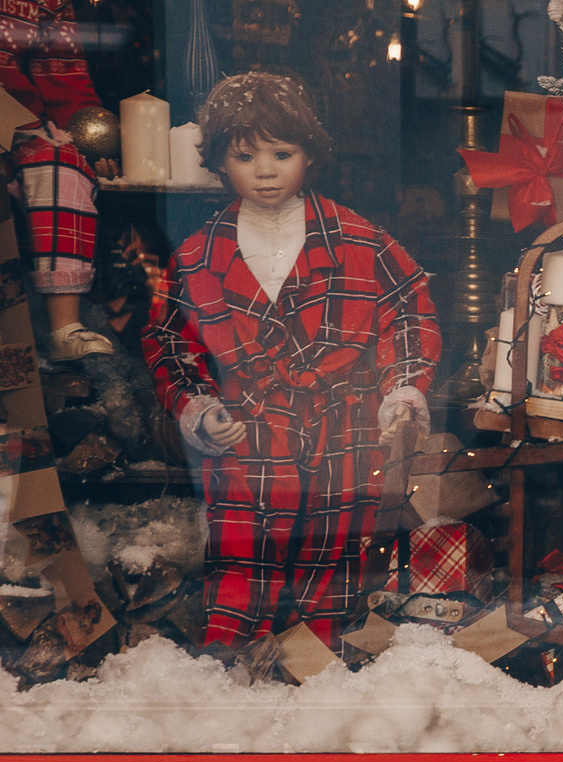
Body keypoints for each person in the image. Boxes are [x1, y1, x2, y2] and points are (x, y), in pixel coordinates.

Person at [140, 73, 439, 648]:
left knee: (333, 569)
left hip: (343, 432)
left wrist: (402, 388)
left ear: (310, 154)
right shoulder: (198, 254)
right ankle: (232, 679)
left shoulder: (361, 240)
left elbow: (409, 313)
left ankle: (319, 676)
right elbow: (171, 339)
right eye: (245, 155)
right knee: (240, 567)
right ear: (220, 162)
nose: (266, 170)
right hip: (247, 435)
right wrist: (196, 404)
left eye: (283, 153)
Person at [2, 0, 114, 358]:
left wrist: (91, 143)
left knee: (60, 163)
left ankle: (63, 327)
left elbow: (63, 78)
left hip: (12, 116)